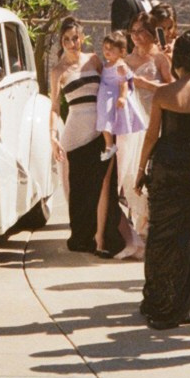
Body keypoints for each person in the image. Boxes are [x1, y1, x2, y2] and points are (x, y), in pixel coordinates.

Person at [135, 30, 190, 330]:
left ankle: (159, 301)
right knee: (188, 238)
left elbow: (152, 136)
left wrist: (140, 170)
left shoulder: (163, 94)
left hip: (164, 167)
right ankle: (186, 305)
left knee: (160, 235)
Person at [50, 17, 124, 255]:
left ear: (82, 37)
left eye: (76, 38)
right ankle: (81, 238)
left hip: (101, 130)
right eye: (67, 39)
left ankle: (102, 237)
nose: (73, 43)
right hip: (75, 133)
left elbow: (110, 83)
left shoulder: (93, 59)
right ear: (61, 42)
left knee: (101, 186)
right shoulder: (58, 71)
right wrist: (52, 136)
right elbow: (54, 107)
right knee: (80, 189)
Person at [120, 12, 173, 259]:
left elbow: (173, 88)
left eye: (142, 31)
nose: (137, 36)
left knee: (150, 171)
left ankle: (151, 226)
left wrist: (146, 84)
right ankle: (136, 229)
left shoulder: (160, 58)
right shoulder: (126, 59)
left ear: (152, 33)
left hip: (154, 119)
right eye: (133, 31)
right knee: (131, 173)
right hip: (131, 123)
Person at [95, 30, 145, 164]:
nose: (107, 51)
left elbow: (124, 83)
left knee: (107, 120)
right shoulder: (106, 65)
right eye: (105, 48)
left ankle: (109, 145)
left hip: (112, 96)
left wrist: (122, 97)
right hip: (105, 96)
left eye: (111, 49)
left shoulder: (119, 65)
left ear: (121, 52)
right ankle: (109, 145)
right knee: (104, 119)